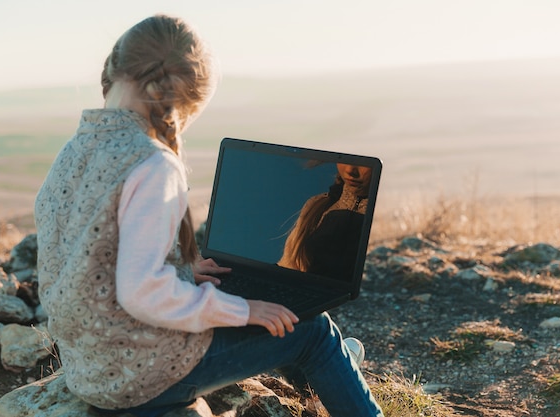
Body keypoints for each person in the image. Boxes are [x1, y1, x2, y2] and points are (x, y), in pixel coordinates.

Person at [34, 14, 384, 417]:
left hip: (90, 368)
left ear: (113, 65)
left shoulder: (75, 150)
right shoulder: (151, 164)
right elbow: (142, 292)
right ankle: (338, 374)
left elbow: (92, 259)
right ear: (190, 100)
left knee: (282, 316)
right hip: (143, 378)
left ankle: (325, 377)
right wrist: (244, 310)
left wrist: (182, 274)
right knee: (314, 330)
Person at [279, 163, 373, 281]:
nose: (350, 170)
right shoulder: (316, 206)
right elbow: (289, 267)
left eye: (364, 162)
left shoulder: (389, 219)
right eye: (345, 157)